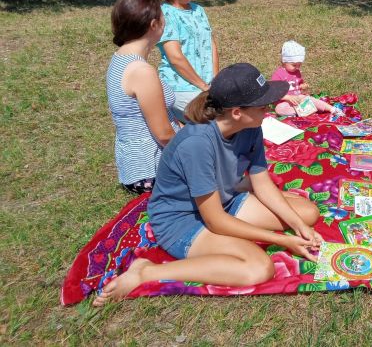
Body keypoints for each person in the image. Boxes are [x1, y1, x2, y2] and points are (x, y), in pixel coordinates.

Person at [93, 63, 322, 306]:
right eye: (262, 104)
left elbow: (262, 184)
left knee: (307, 213)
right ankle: (146, 272)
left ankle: (258, 209)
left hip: (225, 199)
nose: (269, 108)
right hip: (182, 220)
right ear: (237, 112)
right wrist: (283, 240)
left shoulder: (250, 125)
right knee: (258, 267)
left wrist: (298, 227)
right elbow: (215, 221)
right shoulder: (197, 143)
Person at [106, 0, 181, 194]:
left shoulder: (120, 58)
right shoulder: (141, 71)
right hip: (152, 169)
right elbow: (164, 134)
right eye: (163, 18)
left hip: (135, 166)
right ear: (154, 25)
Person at [156, 0, 219, 122]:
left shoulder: (198, 10)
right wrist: (203, 87)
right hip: (181, 86)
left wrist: (215, 81)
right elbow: (175, 57)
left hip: (207, 84)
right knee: (213, 120)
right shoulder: (165, 14)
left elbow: (210, 44)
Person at [271, 40, 339, 116]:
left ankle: (331, 109)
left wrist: (303, 87)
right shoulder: (278, 74)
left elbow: (299, 85)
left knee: (311, 100)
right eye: (294, 65)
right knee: (279, 109)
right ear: (284, 61)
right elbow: (274, 92)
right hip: (284, 102)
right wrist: (288, 97)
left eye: (299, 65)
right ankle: (302, 111)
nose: (297, 67)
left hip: (299, 98)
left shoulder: (297, 72)